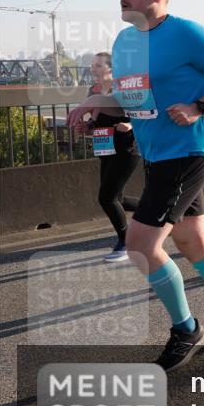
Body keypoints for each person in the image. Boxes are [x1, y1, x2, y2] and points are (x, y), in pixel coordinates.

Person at [67, 0, 204, 372]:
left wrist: (198, 107)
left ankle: (187, 328)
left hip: (188, 150)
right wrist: (94, 109)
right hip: (157, 154)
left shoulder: (187, 33)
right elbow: (132, 101)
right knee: (192, 242)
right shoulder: (124, 42)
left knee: (141, 245)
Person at [76, 52, 140, 262]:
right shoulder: (93, 91)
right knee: (117, 198)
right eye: (93, 65)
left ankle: (127, 243)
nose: (93, 69)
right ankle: (159, 211)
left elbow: (143, 114)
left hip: (127, 147)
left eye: (98, 65)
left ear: (111, 69)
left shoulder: (124, 88)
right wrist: (87, 126)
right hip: (105, 148)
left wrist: (130, 124)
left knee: (106, 197)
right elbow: (95, 121)